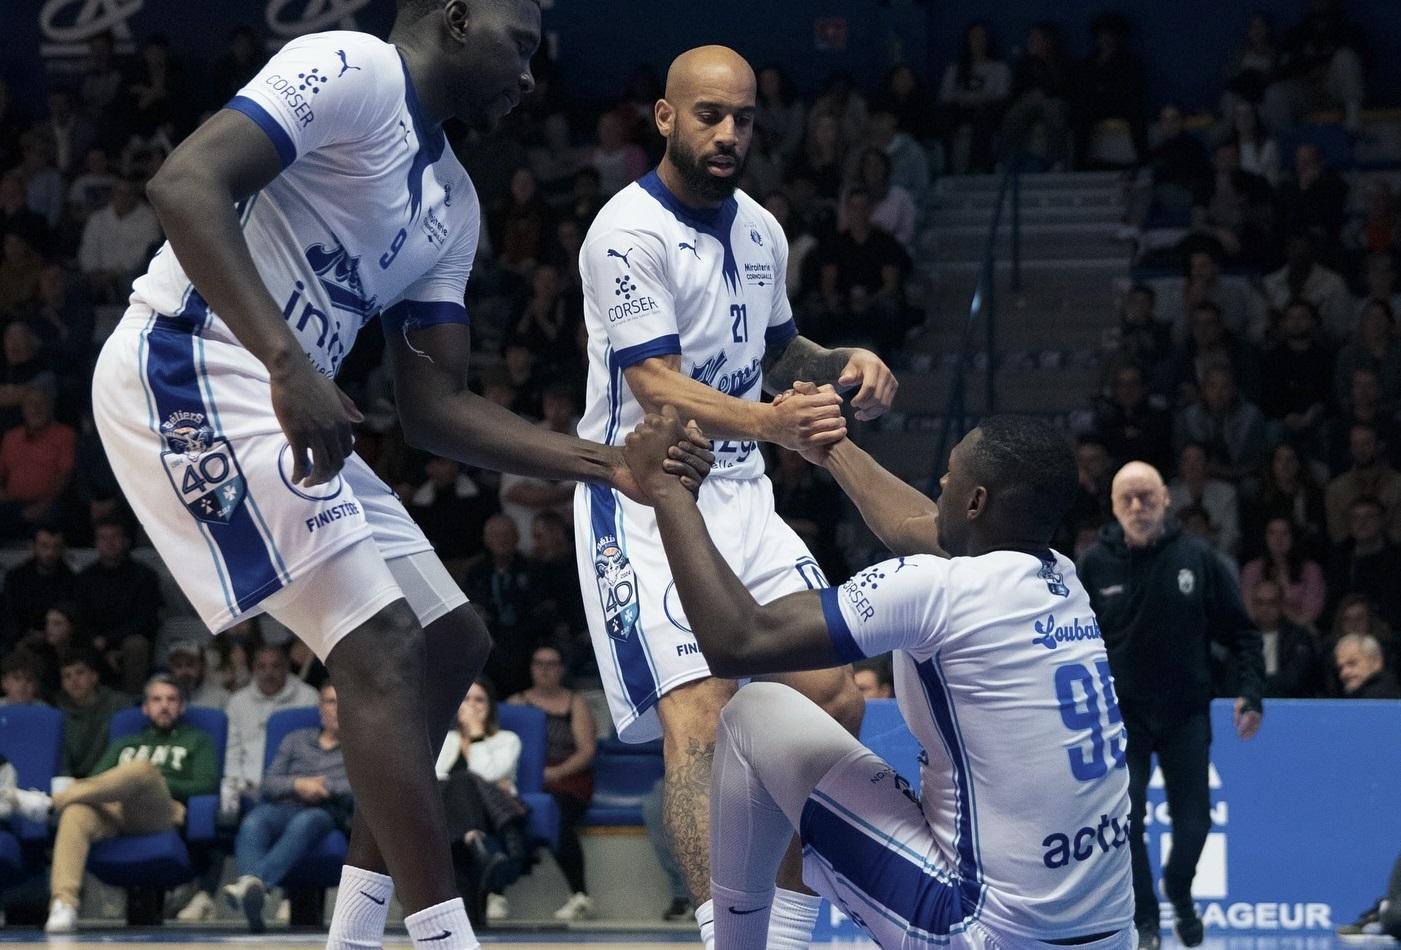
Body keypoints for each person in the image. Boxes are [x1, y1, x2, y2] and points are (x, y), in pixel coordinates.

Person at [87, 3, 709, 948]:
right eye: (523, 44)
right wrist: (294, 363)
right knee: (379, 647)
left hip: (283, 391)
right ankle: (444, 938)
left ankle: (353, 933)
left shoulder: (453, 201)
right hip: (188, 360)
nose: (532, 74)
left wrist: (606, 462)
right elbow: (185, 184)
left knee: (451, 640)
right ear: (455, 19)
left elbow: (433, 407)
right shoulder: (352, 67)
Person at [573, 44, 894, 950]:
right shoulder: (623, 233)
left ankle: (785, 926)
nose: (728, 132)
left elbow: (779, 350)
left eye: (743, 117)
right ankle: (727, 934)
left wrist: (843, 365)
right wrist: (773, 423)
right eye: (709, 114)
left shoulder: (760, 229)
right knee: (702, 717)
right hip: (647, 498)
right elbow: (658, 387)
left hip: (745, 495)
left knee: (833, 695)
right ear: (666, 118)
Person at [622, 407, 1133, 950]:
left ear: (976, 501)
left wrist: (667, 492)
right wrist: (831, 446)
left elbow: (736, 642)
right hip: (1109, 934)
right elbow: (917, 527)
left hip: (982, 933)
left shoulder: (939, 591)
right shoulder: (1061, 577)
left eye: (951, 473)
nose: (938, 481)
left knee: (755, 712)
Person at [1078, 461, 1264, 950]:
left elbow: (1243, 633)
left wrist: (1251, 692)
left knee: (1195, 823)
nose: (1138, 507)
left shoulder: (1197, 558)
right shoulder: (1094, 565)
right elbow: (1072, 645)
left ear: (1166, 497)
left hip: (1186, 714)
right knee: (1128, 818)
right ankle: (1146, 921)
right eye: (1127, 500)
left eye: (1146, 496)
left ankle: (1178, 889)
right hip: (1123, 719)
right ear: (1114, 507)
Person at [38, 673, 218, 933]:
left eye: (171, 699)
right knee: (76, 810)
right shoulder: (125, 743)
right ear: (145, 708)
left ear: (181, 707)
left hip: (160, 812)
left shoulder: (197, 740)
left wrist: (154, 779)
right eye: (156, 700)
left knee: (143, 770)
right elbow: (95, 782)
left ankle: (46, 803)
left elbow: (205, 785)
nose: (164, 705)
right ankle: (63, 904)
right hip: (115, 813)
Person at [224, 684, 351, 933]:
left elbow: (360, 788)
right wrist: (298, 784)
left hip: (327, 812)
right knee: (254, 820)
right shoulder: (296, 739)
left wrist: (324, 788)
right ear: (320, 708)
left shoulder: (360, 746)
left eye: (343, 702)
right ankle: (254, 892)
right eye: (330, 702)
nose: (337, 709)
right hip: (284, 805)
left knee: (308, 821)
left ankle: (253, 883)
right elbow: (269, 783)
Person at [506, 643, 595, 921]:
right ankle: (493, 892)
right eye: (539, 664)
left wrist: (556, 773)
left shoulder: (574, 702)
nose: (545, 670)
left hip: (567, 780)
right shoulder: (515, 703)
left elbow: (587, 751)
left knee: (553, 811)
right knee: (500, 809)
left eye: (551, 664)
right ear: (531, 668)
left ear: (561, 669)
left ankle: (579, 894)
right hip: (522, 782)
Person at [434, 680, 526, 925]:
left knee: (465, 779)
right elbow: (433, 778)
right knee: (453, 785)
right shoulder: (444, 739)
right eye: (466, 700)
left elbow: (484, 772)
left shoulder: (507, 740)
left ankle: (473, 839)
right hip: (445, 813)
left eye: (479, 700)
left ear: (491, 706)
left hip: (492, 815)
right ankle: (476, 844)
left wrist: (475, 734)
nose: (472, 706)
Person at [72, 516, 163, 695]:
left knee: (136, 644)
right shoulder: (85, 578)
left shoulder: (145, 576)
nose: (109, 543)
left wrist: (108, 641)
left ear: (126, 541)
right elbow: (80, 617)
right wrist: (100, 645)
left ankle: (132, 701)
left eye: (114, 537)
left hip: (129, 642)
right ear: (96, 542)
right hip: (93, 642)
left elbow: (146, 620)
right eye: (103, 538)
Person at [225, 643, 319, 794]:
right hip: (248, 788)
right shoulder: (237, 701)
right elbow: (231, 750)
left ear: (286, 667)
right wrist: (239, 785)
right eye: (262, 666)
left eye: (275, 666)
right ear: (254, 669)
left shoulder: (309, 697)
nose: (269, 673)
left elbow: (315, 748)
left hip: (296, 787)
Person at [57, 648, 133, 778]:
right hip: (76, 784)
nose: (74, 680)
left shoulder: (119, 705)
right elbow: (62, 763)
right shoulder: (58, 714)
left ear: (94, 677)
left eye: (80, 673)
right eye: (67, 676)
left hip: (115, 780)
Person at [1245, 579, 1319, 698]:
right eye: (1260, 602)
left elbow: (1294, 681)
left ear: (1281, 604)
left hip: (1290, 705)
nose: (1266, 608)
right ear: (1253, 605)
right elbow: (1232, 680)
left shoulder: (1299, 636)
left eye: (1271, 602)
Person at [165, 638, 231, 708]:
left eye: (190, 664)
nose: (184, 671)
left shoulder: (221, 698)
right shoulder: (161, 698)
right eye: (178, 666)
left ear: (202, 666)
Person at [1334, 633, 1401, 698]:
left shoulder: (1379, 697)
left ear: (1376, 662)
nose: (1345, 672)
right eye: (1340, 668)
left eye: (1352, 663)